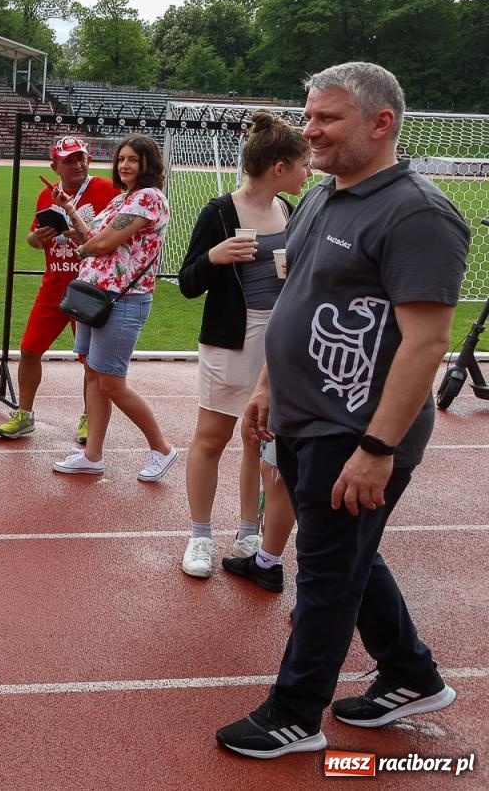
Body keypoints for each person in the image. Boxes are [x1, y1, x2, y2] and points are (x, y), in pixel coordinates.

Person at [216, 63, 468, 760]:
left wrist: (377, 448)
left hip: (355, 429)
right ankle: (411, 674)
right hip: (302, 417)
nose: (309, 128)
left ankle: (295, 715)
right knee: (351, 557)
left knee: (326, 575)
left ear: (381, 123)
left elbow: (427, 341)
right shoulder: (328, 195)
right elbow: (299, 300)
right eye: (309, 114)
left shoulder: (416, 212)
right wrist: (267, 387)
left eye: (327, 117)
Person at [176, 112, 311, 580]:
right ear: (278, 167)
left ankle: (250, 530)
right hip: (233, 340)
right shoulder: (219, 212)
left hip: (281, 343)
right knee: (211, 438)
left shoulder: (292, 211)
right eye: (302, 164)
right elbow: (188, 283)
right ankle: (199, 536)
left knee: (259, 437)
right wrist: (214, 257)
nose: (307, 172)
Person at [50, 133, 179, 481]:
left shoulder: (149, 199)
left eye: (133, 160)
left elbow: (103, 243)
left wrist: (83, 249)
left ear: (148, 164)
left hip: (123, 300)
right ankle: (92, 454)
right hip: (97, 297)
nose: (124, 165)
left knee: (111, 381)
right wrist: (68, 209)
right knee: (93, 373)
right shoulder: (122, 199)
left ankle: (162, 449)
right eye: (121, 159)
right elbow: (89, 234)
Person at [0, 136, 120, 441]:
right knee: (29, 348)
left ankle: (91, 417)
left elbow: (110, 239)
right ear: (55, 166)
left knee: (91, 360)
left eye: (81, 158)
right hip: (54, 286)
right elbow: (32, 237)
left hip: (91, 287)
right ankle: (24, 414)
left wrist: (76, 232)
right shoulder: (45, 194)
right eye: (69, 160)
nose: (77, 164)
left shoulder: (107, 189)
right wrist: (38, 239)